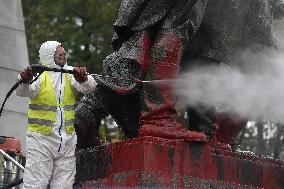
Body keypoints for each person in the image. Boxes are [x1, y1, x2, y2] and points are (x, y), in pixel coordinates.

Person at [16, 41, 96, 189]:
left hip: (67, 142)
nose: (65, 57)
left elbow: (90, 87)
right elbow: (23, 91)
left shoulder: (70, 73)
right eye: (60, 55)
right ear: (49, 56)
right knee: (35, 185)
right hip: (41, 141)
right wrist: (24, 81)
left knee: (63, 186)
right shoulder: (39, 74)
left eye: (65, 54)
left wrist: (83, 79)